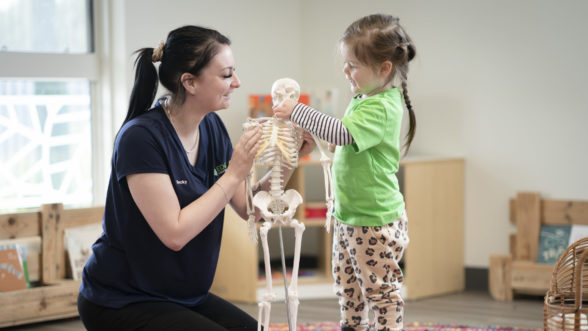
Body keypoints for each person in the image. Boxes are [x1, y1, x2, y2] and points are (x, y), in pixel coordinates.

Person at [78, 25, 313, 331]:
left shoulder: (212, 127)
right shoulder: (139, 139)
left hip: (183, 295)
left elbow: (249, 209)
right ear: (189, 82)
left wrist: (288, 160)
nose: (237, 82)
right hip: (122, 299)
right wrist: (233, 175)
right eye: (227, 75)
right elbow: (174, 234)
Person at [273, 14, 416, 331]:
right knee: (348, 287)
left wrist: (298, 110)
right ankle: (352, 325)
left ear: (384, 69)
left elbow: (342, 133)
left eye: (353, 65)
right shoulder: (364, 98)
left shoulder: (383, 106)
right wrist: (317, 138)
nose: (345, 71)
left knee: (380, 292)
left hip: (374, 220)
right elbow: (348, 144)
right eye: (346, 63)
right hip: (350, 216)